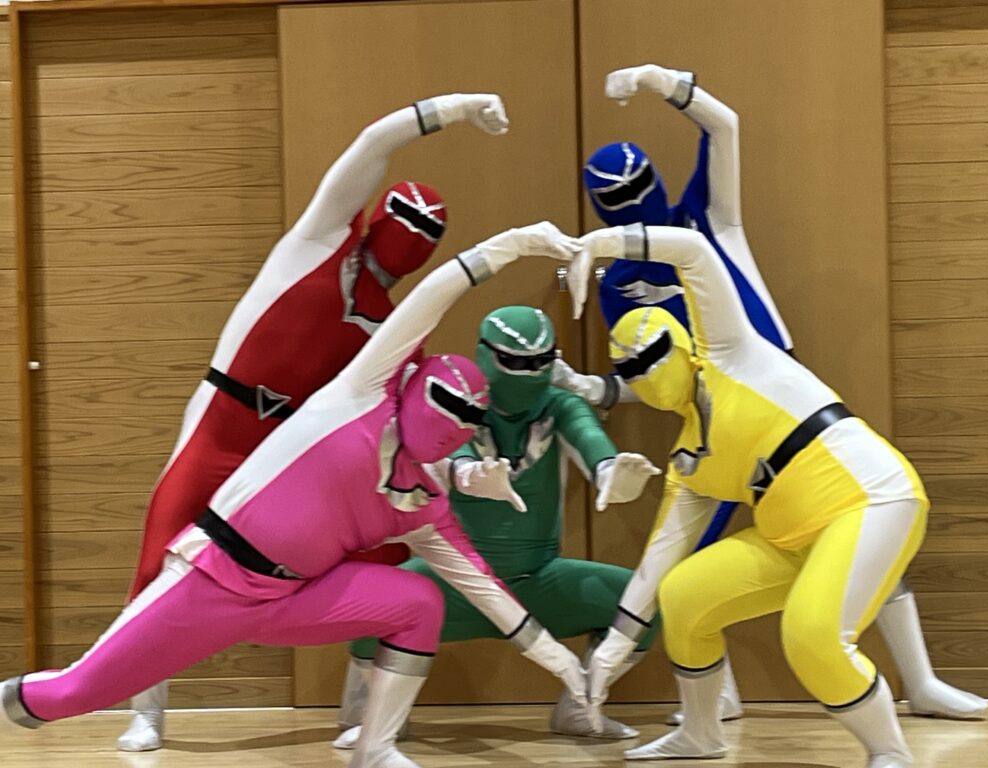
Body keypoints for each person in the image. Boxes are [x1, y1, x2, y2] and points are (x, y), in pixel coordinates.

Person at [1, 223, 588, 768]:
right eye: (447, 404)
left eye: (468, 417)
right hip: (211, 579)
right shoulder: (362, 392)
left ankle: (376, 750)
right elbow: (434, 294)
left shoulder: (421, 504)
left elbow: (481, 585)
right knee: (71, 692)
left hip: (295, 599)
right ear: (417, 384)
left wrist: (556, 658)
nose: (454, 422)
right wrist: (515, 243)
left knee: (418, 602)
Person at [567, 63, 986, 723]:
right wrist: (591, 386)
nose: (630, 201)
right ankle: (715, 693)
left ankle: (920, 680)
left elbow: (724, 127)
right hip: (711, 426)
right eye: (613, 197)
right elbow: (646, 375)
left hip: (780, 392)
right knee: (689, 562)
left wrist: (661, 80)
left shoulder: (704, 223)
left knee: (855, 518)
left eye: (637, 186)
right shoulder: (616, 283)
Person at [117, 92, 512, 751]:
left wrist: (469, 473)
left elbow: (415, 425)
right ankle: (146, 712)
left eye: (430, 231)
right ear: (381, 212)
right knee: (162, 550)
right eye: (409, 216)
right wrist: (457, 107)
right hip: (223, 419)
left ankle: (362, 713)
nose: (416, 235)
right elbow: (373, 143)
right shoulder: (318, 241)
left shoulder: (400, 328)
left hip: (290, 454)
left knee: (385, 555)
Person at [566, 221, 929, 767]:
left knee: (813, 635)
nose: (647, 373)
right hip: (791, 536)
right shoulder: (690, 461)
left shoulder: (731, 352)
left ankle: (889, 752)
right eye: (631, 370)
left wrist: (600, 243)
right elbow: (658, 561)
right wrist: (614, 646)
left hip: (870, 498)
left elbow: (693, 250)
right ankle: (700, 733)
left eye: (654, 354)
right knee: (683, 594)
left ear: (682, 344)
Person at [336, 305, 661, 749]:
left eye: (542, 361)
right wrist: (469, 474)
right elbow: (450, 453)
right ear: (486, 355)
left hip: (537, 580)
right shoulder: (460, 402)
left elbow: (590, 439)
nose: (530, 373)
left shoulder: (560, 405)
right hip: (454, 580)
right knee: (369, 605)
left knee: (640, 605)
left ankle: (580, 707)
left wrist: (611, 473)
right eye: (516, 361)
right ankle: (372, 717)